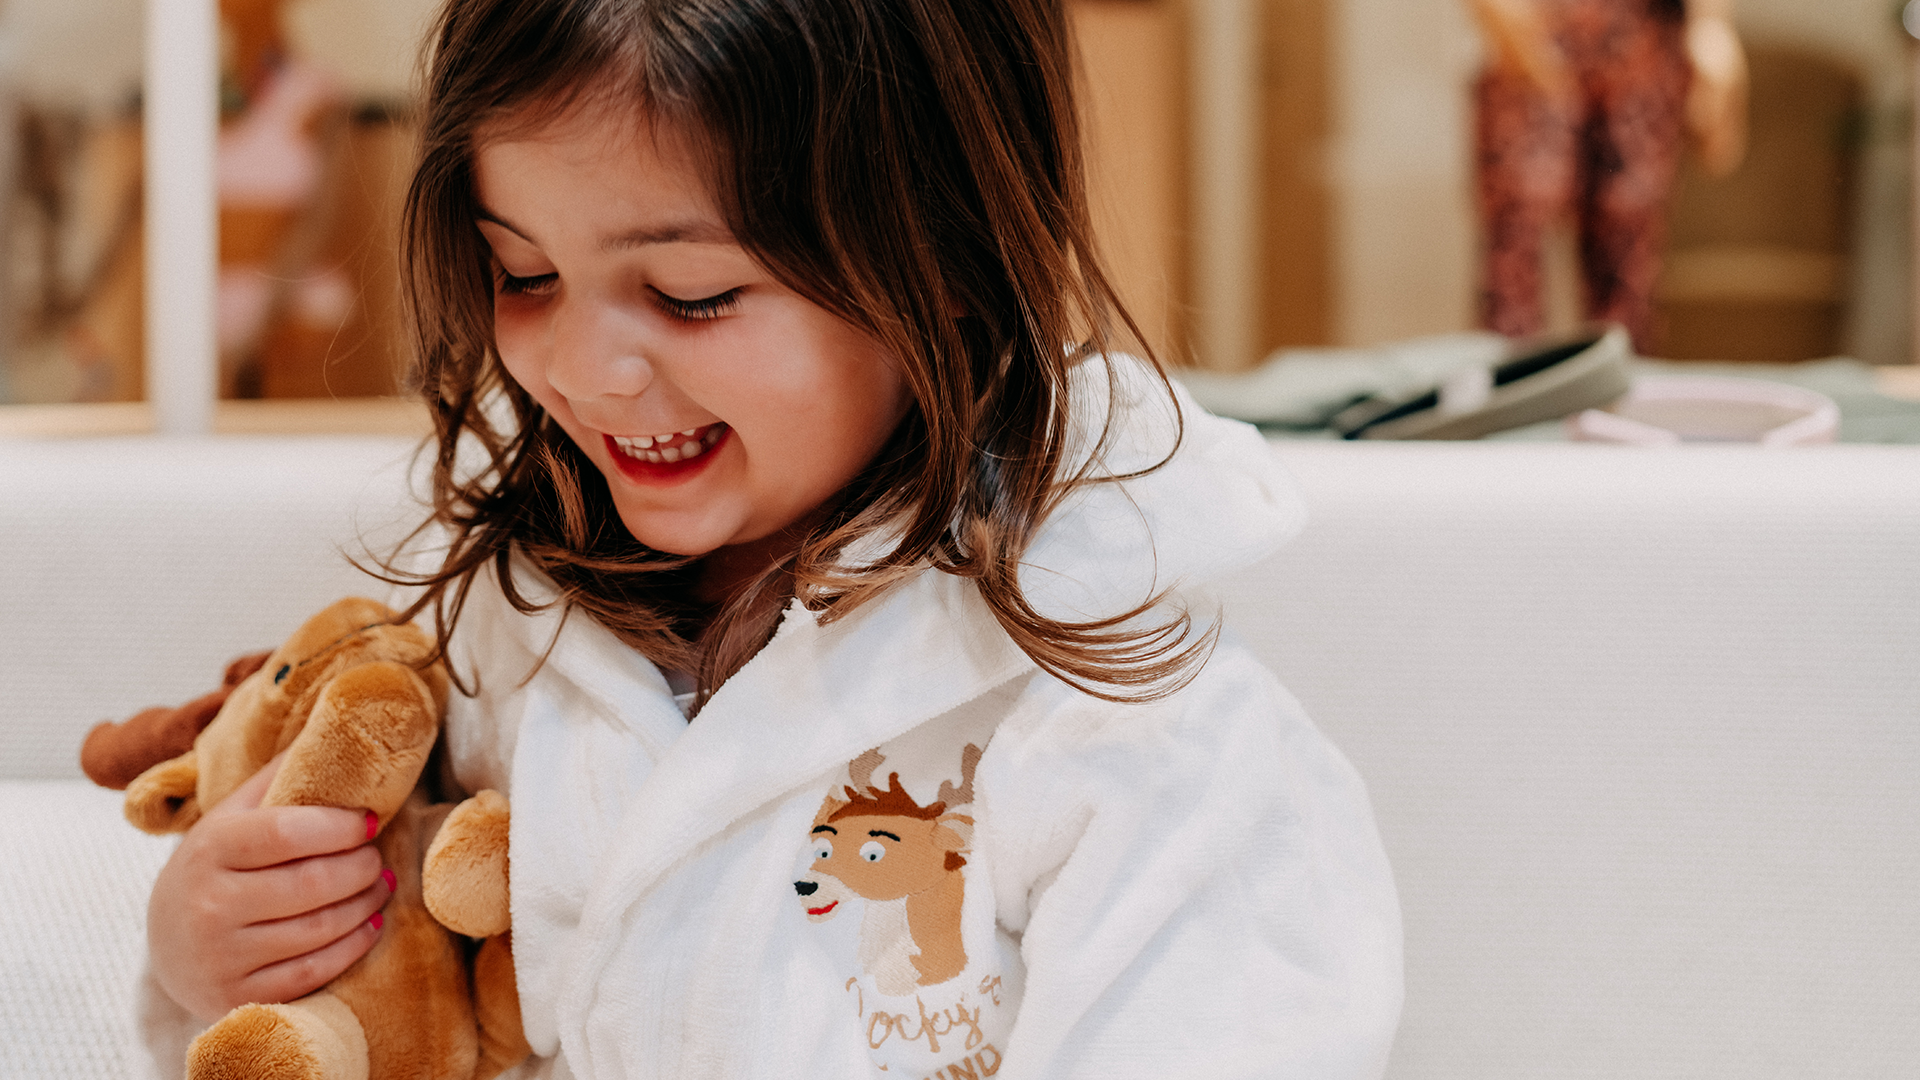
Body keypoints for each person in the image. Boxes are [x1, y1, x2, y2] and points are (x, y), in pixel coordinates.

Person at [144, 1, 1402, 1076]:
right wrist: (208, 948)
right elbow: (414, 1007)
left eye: (693, 296)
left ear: (942, 258)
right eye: (522, 274)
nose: (583, 370)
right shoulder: (506, 628)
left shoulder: (1136, 728)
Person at [1469, 0, 1748, 349]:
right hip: (1534, 21)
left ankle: (1621, 387)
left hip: (1641, 34)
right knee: (1518, 235)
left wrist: (1711, 22)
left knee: (1627, 241)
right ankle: (1510, 391)